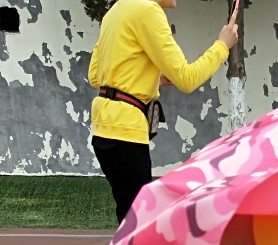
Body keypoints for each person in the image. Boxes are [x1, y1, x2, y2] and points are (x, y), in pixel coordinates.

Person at [88, 0, 239, 223]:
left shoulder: (115, 11)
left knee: (129, 216)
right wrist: (222, 45)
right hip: (127, 133)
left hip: (103, 130)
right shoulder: (148, 10)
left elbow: (95, 76)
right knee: (139, 222)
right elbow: (187, 79)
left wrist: (149, 75)